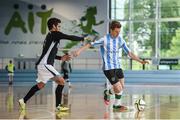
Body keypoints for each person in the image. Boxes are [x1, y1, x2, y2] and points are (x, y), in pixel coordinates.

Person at [73, 21, 149, 111]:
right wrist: (79, 51)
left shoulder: (120, 40)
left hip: (118, 66)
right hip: (108, 68)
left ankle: (108, 93)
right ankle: (116, 105)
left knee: (121, 87)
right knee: (118, 88)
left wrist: (140, 61)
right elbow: (90, 44)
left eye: (119, 32)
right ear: (111, 30)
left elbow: (130, 53)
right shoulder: (104, 39)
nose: (118, 33)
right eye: (116, 31)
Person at [18, 17, 85, 113]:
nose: (60, 28)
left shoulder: (50, 36)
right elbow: (70, 37)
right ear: (54, 26)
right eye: (59, 26)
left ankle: (23, 101)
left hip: (43, 64)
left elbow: (50, 54)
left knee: (40, 85)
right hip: (45, 64)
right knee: (62, 81)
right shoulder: (54, 34)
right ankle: (58, 106)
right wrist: (83, 38)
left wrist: (61, 57)